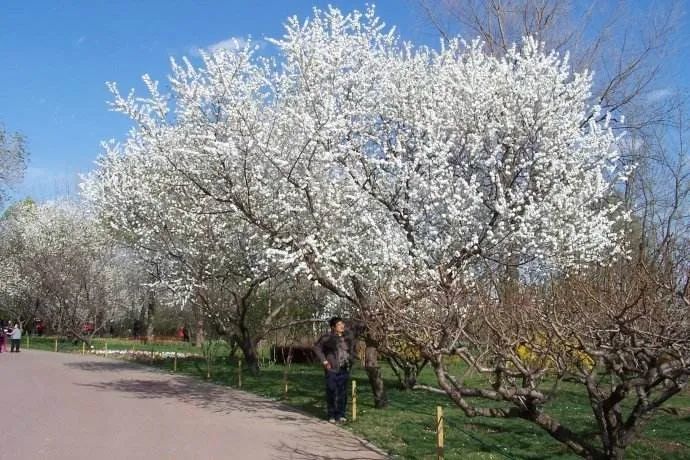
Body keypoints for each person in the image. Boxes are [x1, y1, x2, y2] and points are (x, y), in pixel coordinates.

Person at [313, 316, 355, 424]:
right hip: (332, 369)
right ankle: (331, 414)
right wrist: (324, 361)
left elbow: (351, 349)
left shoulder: (347, 337)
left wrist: (351, 358)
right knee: (331, 391)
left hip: (344, 368)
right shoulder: (327, 337)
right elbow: (317, 348)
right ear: (333, 327)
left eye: (342, 324)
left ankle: (341, 414)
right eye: (339, 325)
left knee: (343, 392)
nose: (342, 326)